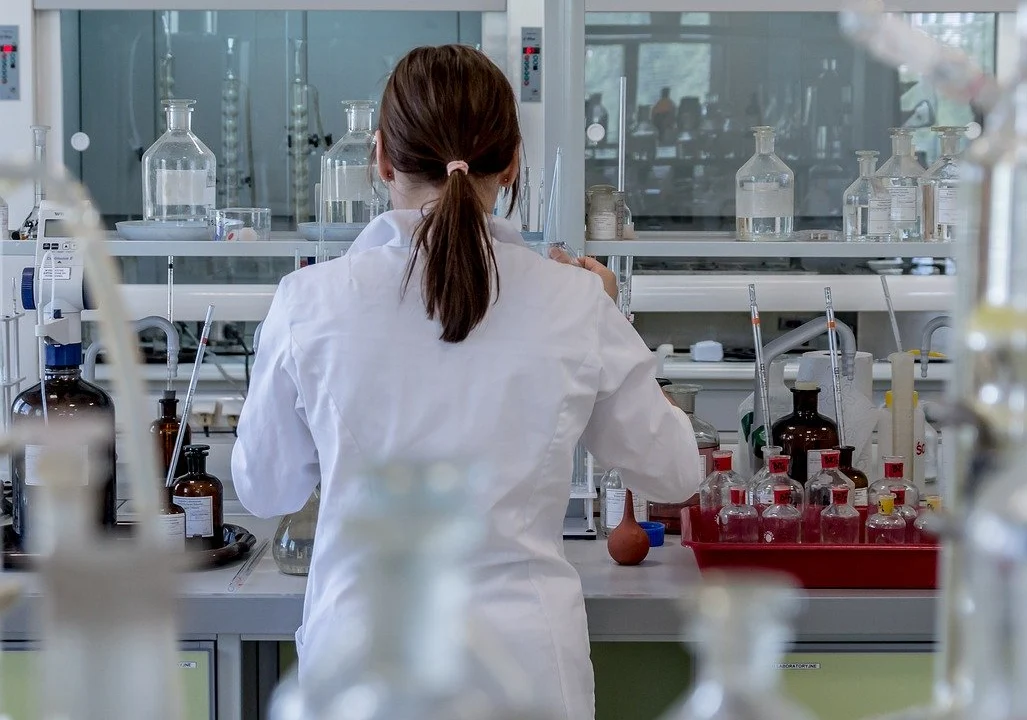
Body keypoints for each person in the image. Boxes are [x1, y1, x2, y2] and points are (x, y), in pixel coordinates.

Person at [231, 45, 702, 719]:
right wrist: (609, 314)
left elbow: (264, 486)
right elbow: (675, 474)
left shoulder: (309, 300)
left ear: (383, 160)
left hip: (360, 671)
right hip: (528, 669)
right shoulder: (574, 300)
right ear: (510, 164)